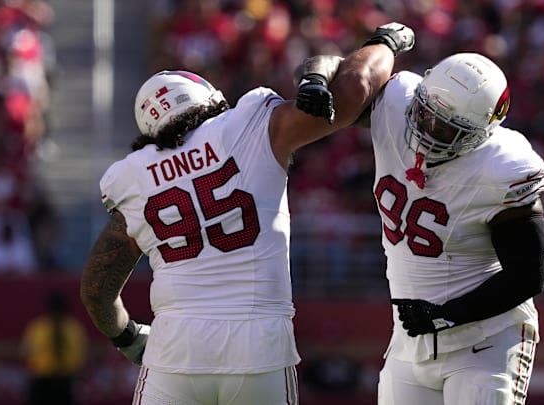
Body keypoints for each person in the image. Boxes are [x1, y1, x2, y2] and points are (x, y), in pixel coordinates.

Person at [78, 23, 415, 405]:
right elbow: (354, 88)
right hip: (258, 347)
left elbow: (96, 291)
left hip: (174, 352)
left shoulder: (134, 176)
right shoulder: (249, 122)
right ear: (207, 99)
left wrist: (128, 337)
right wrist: (384, 42)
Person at [297, 52, 544, 404]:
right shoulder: (397, 105)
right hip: (410, 340)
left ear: (482, 131)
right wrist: (314, 78)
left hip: (485, 340)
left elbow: (528, 275)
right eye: (426, 115)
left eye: (447, 128)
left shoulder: (501, 168)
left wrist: (446, 315)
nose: (429, 130)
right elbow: (339, 69)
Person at [21, 291, 88, 405]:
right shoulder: (73, 329)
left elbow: (27, 354)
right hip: (47, 381)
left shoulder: (39, 328)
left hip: (60, 381)